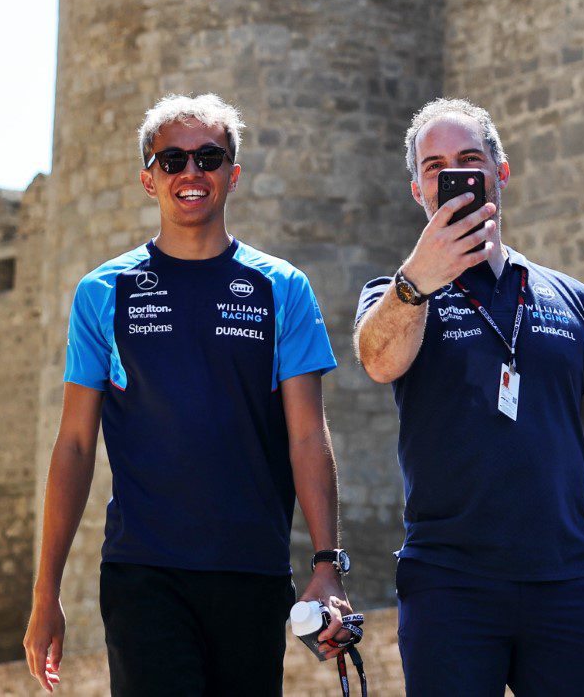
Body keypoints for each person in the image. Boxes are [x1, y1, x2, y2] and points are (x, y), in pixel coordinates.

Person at [23, 93, 354, 695]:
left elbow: (308, 435)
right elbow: (73, 445)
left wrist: (328, 566)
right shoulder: (103, 292)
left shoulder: (282, 288)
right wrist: (47, 593)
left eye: (208, 156)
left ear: (234, 172)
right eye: (171, 160)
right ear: (149, 179)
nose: (191, 172)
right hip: (143, 574)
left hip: (252, 571)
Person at [353, 97, 584, 697]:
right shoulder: (397, 294)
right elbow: (378, 359)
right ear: (417, 189)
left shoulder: (571, 298)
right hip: (450, 585)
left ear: (499, 173)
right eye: (435, 167)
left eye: (469, 160)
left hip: (569, 582)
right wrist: (417, 280)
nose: (453, 176)